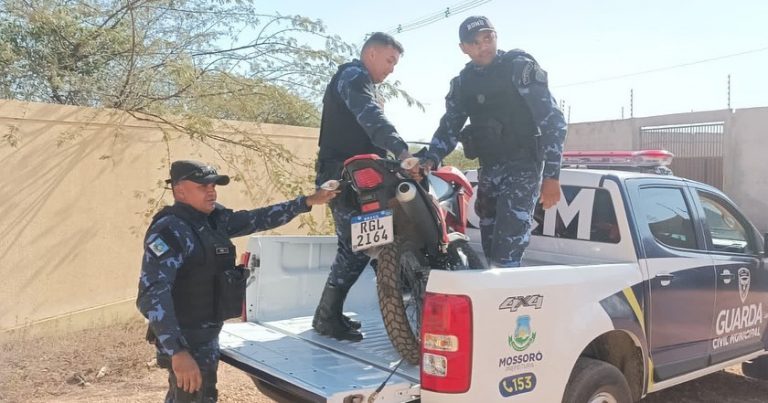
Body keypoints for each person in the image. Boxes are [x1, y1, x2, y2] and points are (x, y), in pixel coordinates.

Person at [136, 160, 336, 402]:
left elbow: (258, 218)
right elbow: (153, 294)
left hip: (206, 334)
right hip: (185, 338)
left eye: (213, 185)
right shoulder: (170, 230)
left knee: (200, 395)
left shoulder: (212, 220)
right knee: (191, 397)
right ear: (179, 191)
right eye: (202, 186)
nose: (211, 191)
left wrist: (306, 202)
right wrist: (177, 352)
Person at [423, 16, 568, 268]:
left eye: (488, 38)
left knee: (507, 252)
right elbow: (449, 127)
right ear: (464, 48)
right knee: (490, 247)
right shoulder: (464, 82)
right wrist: (429, 158)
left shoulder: (518, 69)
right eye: (475, 42)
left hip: (522, 166)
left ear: (495, 36)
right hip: (490, 170)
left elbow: (553, 122)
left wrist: (552, 176)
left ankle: (506, 303)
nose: (483, 46)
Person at [312, 32, 417, 342]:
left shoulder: (362, 83)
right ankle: (326, 316)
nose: (392, 69)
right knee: (358, 246)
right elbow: (370, 118)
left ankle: (328, 315)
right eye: (389, 60)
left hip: (357, 175)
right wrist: (402, 151)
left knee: (361, 246)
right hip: (346, 177)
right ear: (370, 54)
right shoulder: (354, 76)